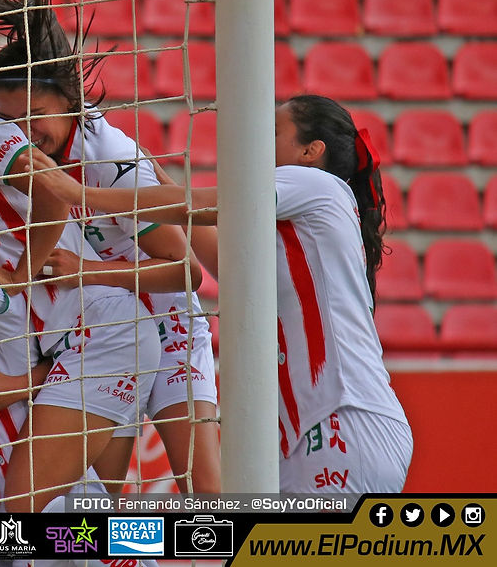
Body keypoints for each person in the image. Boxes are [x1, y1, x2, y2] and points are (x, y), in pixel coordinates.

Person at [0, 0, 222, 494]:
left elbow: (185, 273)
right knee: (98, 504)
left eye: (35, 115)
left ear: (69, 101)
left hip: (167, 323)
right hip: (94, 323)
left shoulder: (111, 158)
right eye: (12, 119)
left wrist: (85, 271)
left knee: (205, 491)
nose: (26, 132)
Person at [31, 94, 413, 493]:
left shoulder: (317, 183)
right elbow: (225, 263)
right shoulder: (297, 217)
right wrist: (159, 183)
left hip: (345, 417)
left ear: (310, 151)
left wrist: (78, 194)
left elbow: (196, 206)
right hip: (310, 430)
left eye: (273, 132)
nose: (257, 141)